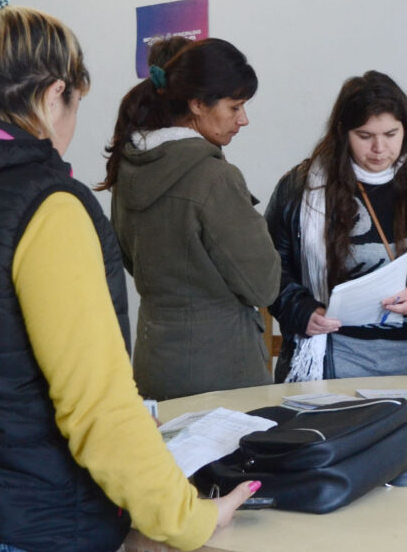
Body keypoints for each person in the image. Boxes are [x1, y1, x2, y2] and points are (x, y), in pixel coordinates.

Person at [0, 0, 256, 552]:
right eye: (74, 105)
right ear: (52, 95)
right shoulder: (44, 205)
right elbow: (97, 409)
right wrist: (187, 517)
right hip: (26, 532)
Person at [265, 70, 407, 381]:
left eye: (391, 134)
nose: (379, 148)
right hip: (330, 353)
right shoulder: (302, 187)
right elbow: (270, 265)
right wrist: (299, 308)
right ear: (343, 132)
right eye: (365, 136)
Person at [98, 38, 280, 401]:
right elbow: (263, 285)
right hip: (224, 374)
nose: (243, 119)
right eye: (235, 107)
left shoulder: (128, 168)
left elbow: (134, 262)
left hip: (154, 364)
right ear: (197, 104)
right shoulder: (214, 178)